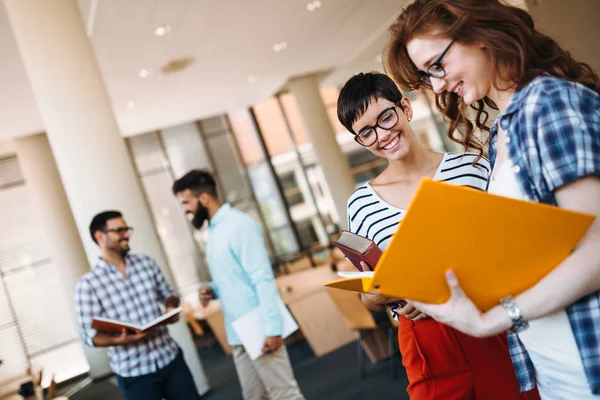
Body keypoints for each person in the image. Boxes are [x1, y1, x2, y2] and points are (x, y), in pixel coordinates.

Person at [385, 0, 600, 398]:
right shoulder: (503, 133)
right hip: (554, 369)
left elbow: (597, 250)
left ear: (480, 35)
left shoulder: (548, 104)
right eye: (426, 76)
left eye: (438, 65)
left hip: (588, 361)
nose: (437, 85)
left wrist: (496, 319)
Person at [338, 71, 538, 399]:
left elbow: (506, 245)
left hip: (489, 317)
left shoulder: (472, 168)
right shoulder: (360, 205)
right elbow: (369, 295)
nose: (382, 135)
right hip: (425, 339)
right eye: (366, 133)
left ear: (406, 108)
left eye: (386, 117)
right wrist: (387, 296)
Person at [172, 170, 305, 400]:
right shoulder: (214, 232)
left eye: (186, 202)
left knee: (285, 395)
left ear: (204, 198)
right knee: (254, 396)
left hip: (259, 327)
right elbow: (234, 275)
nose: (185, 209)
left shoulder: (238, 225)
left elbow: (262, 277)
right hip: (238, 332)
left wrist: (272, 329)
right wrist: (212, 289)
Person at [74, 211, 201, 400]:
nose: (126, 235)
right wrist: (120, 340)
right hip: (134, 373)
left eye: (127, 229)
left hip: (170, 359)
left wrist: (170, 307)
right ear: (100, 236)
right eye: (119, 230)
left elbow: (169, 295)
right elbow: (89, 334)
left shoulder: (146, 263)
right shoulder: (88, 284)